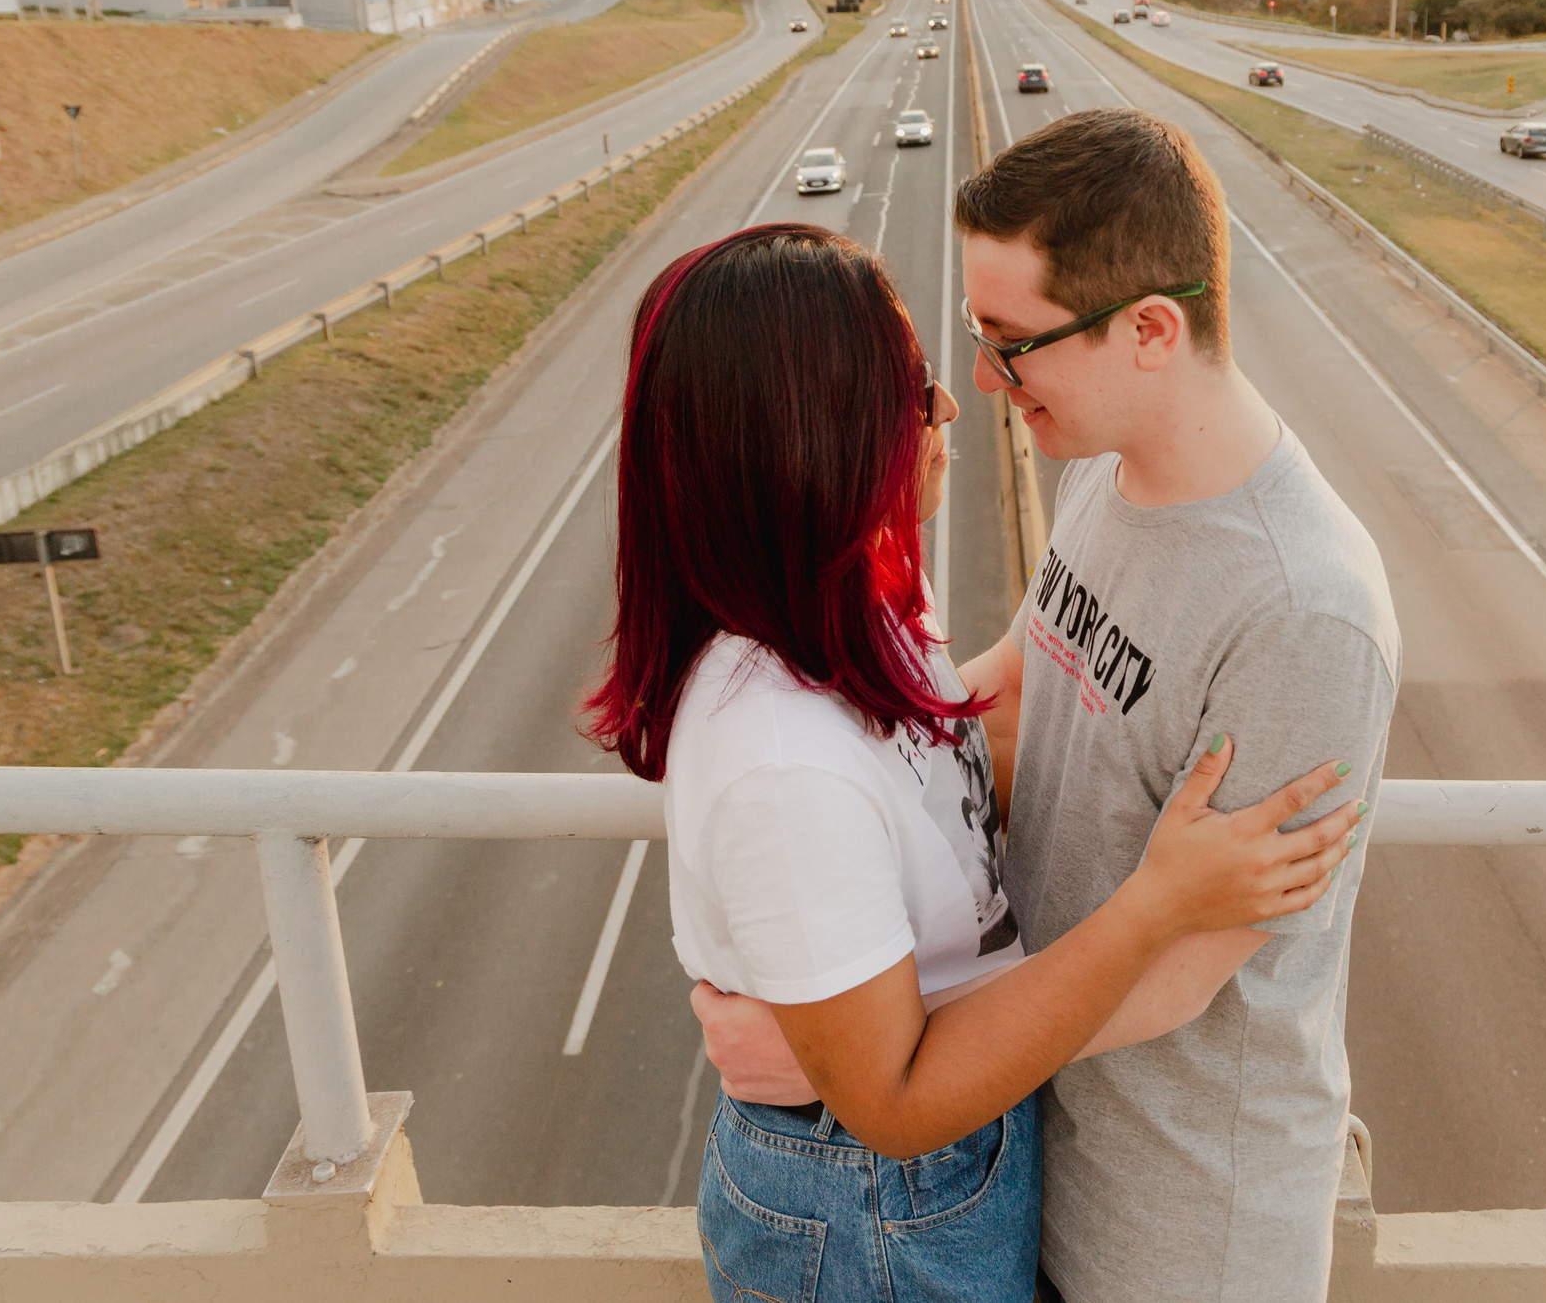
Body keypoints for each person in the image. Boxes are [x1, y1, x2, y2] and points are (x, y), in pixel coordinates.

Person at [584, 223, 1365, 1303]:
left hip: (936, 1182)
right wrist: (1157, 904)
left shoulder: (857, 611)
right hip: (870, 1217)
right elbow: (894, 1103)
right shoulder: (781, 761)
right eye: (912, 389)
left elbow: (985, 718)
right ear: (819, 441)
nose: (953, 405)